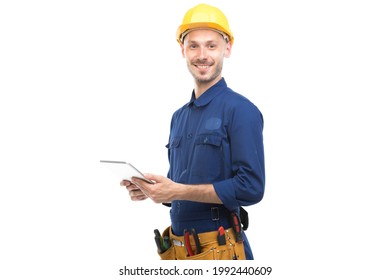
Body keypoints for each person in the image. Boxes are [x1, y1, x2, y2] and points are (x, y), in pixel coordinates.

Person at [120, 3, 265, 260]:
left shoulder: (241, 110)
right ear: (182, 50)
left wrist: (176, 191)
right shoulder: (179, 117)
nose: (202, 55)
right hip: (178, 250)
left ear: (227, 49)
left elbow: (251, 188)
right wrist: (151, 190)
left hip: (219, 249)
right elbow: (179, 185)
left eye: (211, 45)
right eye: (194, 45)